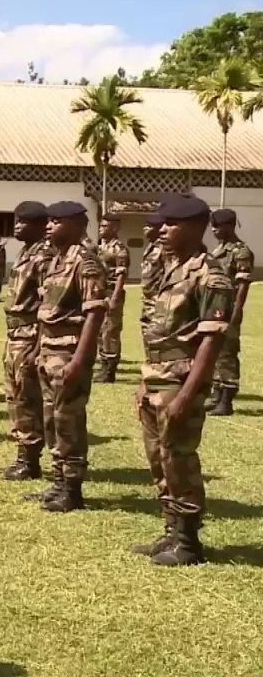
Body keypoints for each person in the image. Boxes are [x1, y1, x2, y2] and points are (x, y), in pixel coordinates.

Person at [133, 196, 232, 565]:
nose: (163, 231)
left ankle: (189, 542)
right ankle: (172, 530)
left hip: (181, 378)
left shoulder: (210, 274)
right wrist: (145, 382)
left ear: (195, 228)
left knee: (179, 457)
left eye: (172, 225)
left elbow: (212, 338)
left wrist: (188, 395)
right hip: (158, 376)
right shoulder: (174, 269)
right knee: (159, 457)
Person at [32, 201, 107, 512]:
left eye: (57, 221)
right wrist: (38, 349)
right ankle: (59, 481)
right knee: (51, 420)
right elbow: (47, 312)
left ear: (77, 225)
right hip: (49, 351)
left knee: (69, 421)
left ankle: (73, 489)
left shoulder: (86, 263)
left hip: (68, 353)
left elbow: (95, 314)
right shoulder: (55, 262)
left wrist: (79, 360)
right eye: (48, 221)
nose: (49, 226)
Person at [0, 202, 51, 480]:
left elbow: (46, 303)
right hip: (15, 334)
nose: (17, 226)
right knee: (15, 396)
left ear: (40, 225)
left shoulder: (44, 256)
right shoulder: (25, 252)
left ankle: (30, 460)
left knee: (28, 398)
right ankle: (23, 455)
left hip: (30, 335)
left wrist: (38, 345)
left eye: (24, 222)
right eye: (16, 221)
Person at [206, 208, 254, 415]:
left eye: (217, 226)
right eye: (212, 226)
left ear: (229, 226)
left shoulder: (240, 251)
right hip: (215, 306)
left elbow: (243, 284)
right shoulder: (219, 250)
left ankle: (227, 399)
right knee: (215, 351)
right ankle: (217, 392)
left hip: (229, 307)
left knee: (227, 352)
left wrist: (236, 309)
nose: (213, 230)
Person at [94, 213, 130, 383]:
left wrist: (115, 296)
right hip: (100, 293)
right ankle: (103, 363)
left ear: (115, 228)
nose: (101, 229)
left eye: (105, 226)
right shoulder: (102, 246)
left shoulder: (119, 249)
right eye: (101, 226)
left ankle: (110, 369)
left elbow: (122, 275)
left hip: (112, 292)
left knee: (110, 331)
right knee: (101, 331)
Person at [139, 213, 165, 336]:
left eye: (149, 226)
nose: (145, 229)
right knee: (146, 332)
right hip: (147, 299)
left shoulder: (165, 248)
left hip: (158, 300)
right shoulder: (151, 246)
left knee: (156, 335)